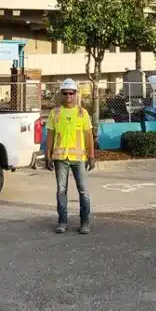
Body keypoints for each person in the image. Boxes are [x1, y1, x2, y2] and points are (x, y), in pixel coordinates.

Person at [44, 78, 96, 234]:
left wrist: (91, 156)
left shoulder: (82, 113)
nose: (68, 96)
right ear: (61, 94)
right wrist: (48, 155)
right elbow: (50, 136)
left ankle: (85, 223)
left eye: (71, 93)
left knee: (83, 191)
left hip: (79, 159)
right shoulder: (55, 113)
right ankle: (62, 222)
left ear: (75, 94)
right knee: (61, 190)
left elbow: (88, 136)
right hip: (60, 158)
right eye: (65, 93)